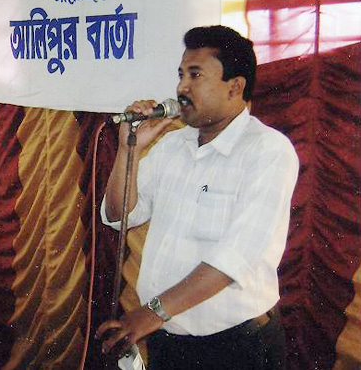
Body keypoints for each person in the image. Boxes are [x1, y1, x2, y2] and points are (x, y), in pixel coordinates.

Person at [95, 26, 299, 369]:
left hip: (236, 347)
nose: (181, 88)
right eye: (180, 75)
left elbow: (235, 257)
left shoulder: (268, 151)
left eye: (195, 75)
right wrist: (129, 150)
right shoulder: (173, 145)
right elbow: (119, 216)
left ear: (235, 87)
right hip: (168, 339)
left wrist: (151, 313)